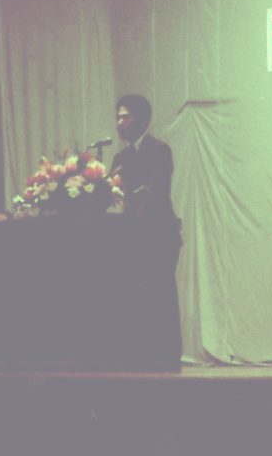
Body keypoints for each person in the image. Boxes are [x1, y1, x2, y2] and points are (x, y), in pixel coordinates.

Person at [109, 94, 182, 371]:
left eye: (125, 117)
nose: (119, 122)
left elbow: (155, 190)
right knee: (138, 297)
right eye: (118, 117)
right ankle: (143, 354)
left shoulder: (159, 150)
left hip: (158, 235)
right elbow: (112, 193)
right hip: (133, 237)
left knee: (161, 292)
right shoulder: (120, 158)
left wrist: (135, 220)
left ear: (141, 120)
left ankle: (169, 356)